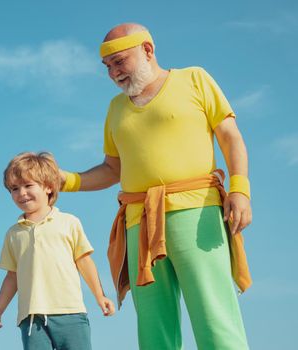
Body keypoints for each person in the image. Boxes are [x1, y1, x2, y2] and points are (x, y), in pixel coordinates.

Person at [60, 23, 252, 349]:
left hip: (197, 212)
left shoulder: (194, 79)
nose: (113, 73)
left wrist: (239, 189)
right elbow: (111, 169)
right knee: (153, 327)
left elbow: (230, 136)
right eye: (108, 67)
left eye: (120, 62)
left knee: (213, 314)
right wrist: (65, 180)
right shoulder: (115, 109)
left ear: (148, 50)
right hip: (139, 223)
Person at [0, 152, 115, 350]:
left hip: (70, 313)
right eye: (14, 188)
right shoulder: (13, 233)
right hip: (31, 319)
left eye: (28, 185)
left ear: (48, 187)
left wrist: (100, 296)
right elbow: (12, 276)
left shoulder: (69, 222)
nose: (21, 193)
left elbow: (84, 261)